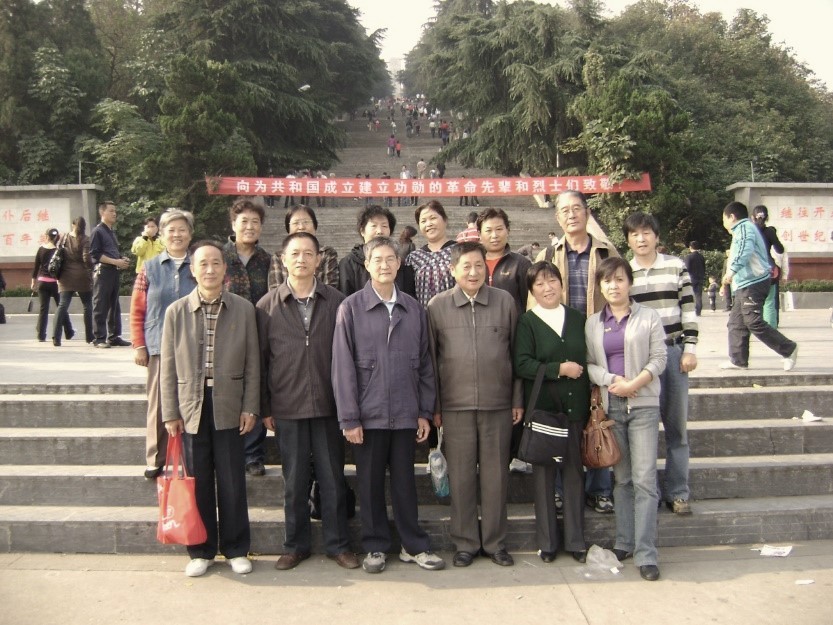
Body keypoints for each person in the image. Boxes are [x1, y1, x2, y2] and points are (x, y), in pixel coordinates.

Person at [332, 237, 445, 574]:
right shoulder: (351, 308)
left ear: (399, 263)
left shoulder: (414, 309)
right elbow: (342, 367)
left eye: (390, 259)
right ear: (366, 265)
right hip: (368, 415)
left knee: (405, 483)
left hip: (406, 412)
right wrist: (350, 418)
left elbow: (425, 364)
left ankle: (414, 545)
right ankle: (375, 546)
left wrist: (424, 411)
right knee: (369, 484)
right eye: (377, 259)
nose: (384, 265)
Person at [257, 232, 358, 571]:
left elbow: (350, 356)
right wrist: (266, 407)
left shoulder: (338, 302)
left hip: (329, 406)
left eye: (308, 254)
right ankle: (295, 546)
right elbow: (261, 362)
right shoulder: (266, 306)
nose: (301, 259)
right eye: (295, 254)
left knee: (333, 480)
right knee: (294, 483)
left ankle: (338, 545)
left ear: (319, 260)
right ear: (283, 260)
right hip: (288, 407)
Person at [160, 241, 259, 578]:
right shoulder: (176, 312)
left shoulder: (243, 309)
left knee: (232, 481)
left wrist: (250, 406)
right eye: (203, 263)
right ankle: (200, 550)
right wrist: (170, 412)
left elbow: (253, 363)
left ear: (225, 268)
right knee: (198, 480)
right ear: (192, 269)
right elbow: (167, 367)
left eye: (216, 263)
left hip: (229, 403)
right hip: (191, 405)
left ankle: (236, 549)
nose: (210, 269)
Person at [427, 241, 523, 568]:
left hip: (498, 405)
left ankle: (495, 543)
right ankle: (465, 542)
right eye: (466, 266)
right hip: (455, 406)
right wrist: (435, 407)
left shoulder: (504, 302)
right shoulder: (437, 306)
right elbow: (431, 360)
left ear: (487, 268)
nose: (473, 272)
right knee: (462, 478)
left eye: (479, 265)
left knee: (496, 478)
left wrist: (516, 399)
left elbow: (516, 354)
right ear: (452, 270)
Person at [533, 190, 619, 515]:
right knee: (561, 416)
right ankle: (560, 490)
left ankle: (599, 488)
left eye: (576, 209)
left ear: (587, 212)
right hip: (561, 345)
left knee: (598, 413)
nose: (571, 215)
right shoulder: (547, 254)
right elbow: (536, 300)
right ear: (557, 217)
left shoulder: (606, 250)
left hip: (598, 342)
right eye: (565, 210)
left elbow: (620, 292)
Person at [585, 257, 667, 582]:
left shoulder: (648, 317)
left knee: (644, 479)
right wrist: (610, 380)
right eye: (607, 281)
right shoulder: (593, 323)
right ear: (600, 286)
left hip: (643, 405)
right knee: (621, 480)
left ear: (629, 283)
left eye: (619, 279)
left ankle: (646, 553)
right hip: (611, 408)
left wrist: (635, 383)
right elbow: (589, 364)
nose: (613, 286)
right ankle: (624, 542)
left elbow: (659, 358)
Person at [514, 262, 589, 563]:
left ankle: (576, 541)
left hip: (574, 409)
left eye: (552, 281)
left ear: (561, 283)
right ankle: (547, 543)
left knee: (574, 475)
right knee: (543, 478)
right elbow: (522, 364)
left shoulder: (577, 318)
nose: (547, 288)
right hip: (544, 413)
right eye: (540, 284)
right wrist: (559, 369)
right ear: (532, 291)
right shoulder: (527, 322)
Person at [624, 212, 697, 516]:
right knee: (644, 431)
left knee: (677, 429)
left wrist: (690, 349)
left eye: (646, 233)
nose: (641, 239)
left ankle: (678, 492)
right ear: (628, 240)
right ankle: (649, 493)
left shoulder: (676, 266)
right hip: (641, 361)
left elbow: (689, 309)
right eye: (634, 234)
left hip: (673, 352)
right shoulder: (625, 272)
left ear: (656, 236)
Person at [130, 209, 196, 480]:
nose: (177, 235)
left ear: (190, 234)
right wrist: (139, 344)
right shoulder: (149, 267)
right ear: (162, 234)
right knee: (158, 404)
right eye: (171, 230)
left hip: (193, 346)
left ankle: (191, 459)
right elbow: (137, 309)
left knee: (192, 402)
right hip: (158, 346)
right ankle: (155, 457)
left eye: (182, 229)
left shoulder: (199, 264)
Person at [222, 198, 272, 477]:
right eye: (244, 221)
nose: (250, 227)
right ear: (233, 224)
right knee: (228, 392)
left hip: (257, 334)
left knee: (256, 389)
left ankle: (253, 454)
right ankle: (230, 453)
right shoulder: (220, 256)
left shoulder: (267, 259)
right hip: (225, 335)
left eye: (255, 222)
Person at [720, 202, 798, 371]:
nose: (723, 223)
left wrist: (731, 272)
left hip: (753, 282)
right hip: (744, 283)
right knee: (736, 323)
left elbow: (744, 251)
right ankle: (738, 360)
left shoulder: (743, 228)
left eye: (724, 219)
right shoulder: (743, 229)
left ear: (732, 216)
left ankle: (788, 349)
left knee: (753, 321)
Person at [338, 205, 414, 297]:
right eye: (374, 226)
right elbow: (344, 297)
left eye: (384, 226)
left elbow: (409, 298)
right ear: (362, 231)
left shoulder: (400, 264)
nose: (379, 231)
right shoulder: (348, 264)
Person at [90, 202, 131, 348]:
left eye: (115, 211)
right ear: (102, 213)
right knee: (100, 304)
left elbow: (111, 252)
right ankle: (99, 338)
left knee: (114, 305)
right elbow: (95, 255)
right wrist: (115, 261)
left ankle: (114, 336)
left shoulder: (111, 232)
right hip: (103, 271)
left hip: (113, 271)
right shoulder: (97, 231)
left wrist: (121, 259)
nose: (114, 214)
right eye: (111, 211)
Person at [267, 205, 339, 290]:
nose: (301, 227)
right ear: (288, 228)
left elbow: (330, 290)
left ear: (315, 226)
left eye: (306, 222)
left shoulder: (327, 253)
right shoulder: (278, 256)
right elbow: (275, 291)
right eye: (296, 223)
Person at [51, 217, 94, 345]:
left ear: (73, 225)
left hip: (65, 276)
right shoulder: (86, 239)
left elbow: (58, 252)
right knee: (87, 305)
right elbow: (86, 258)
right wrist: (91, 268)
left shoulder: (64, 237)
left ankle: (56, 337)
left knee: (62, 305)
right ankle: (89, 336)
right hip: (82, 276)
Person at [407, 200, 456, 308]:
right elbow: (409, 293)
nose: (428, 224)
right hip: (423, 315)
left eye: (433, 218)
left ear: (445, 220)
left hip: (455, 314)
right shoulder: (413, 258)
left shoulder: (460, 251)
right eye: (423, 221)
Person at [32, 228, 74, 343]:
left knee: (43, 309)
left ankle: (41, 335)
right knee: (61, 307)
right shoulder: (59, 250)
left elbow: (36, 267)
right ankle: (69, 331)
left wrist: (33, 282)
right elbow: (63, 267)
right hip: (55, 283)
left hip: (42, 282)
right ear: (57, 238)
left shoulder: (41, 249)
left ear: (46, 236)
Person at [752, 205, 785, 328]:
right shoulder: (770, 231)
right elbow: (780, 250)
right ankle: (771, 329)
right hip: (769, 270)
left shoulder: (749, 231)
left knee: (751, 302)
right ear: (767, 217)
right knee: (769, 302)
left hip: (752, 270)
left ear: (752, 217)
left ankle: (754, 327)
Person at [683, 242, 706, 316]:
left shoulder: (689, 257)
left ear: (690, 247)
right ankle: (698, 311)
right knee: (698, 295)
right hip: (699, 278)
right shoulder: (701, 257)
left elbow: (686, 268)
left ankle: (689, 310)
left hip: (691, 278)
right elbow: (704, 268)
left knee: (688, 294)